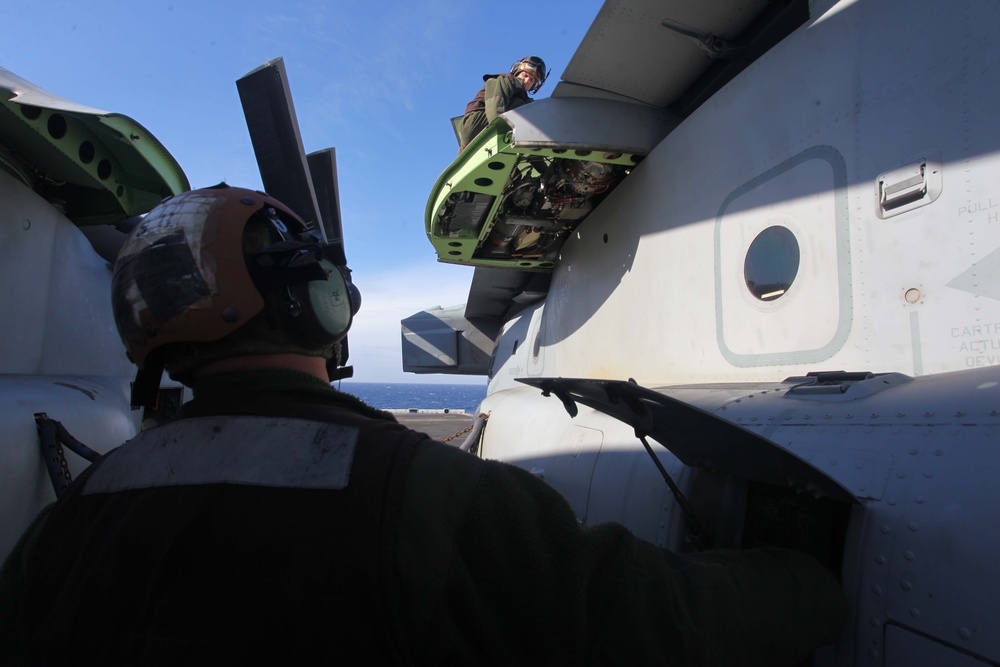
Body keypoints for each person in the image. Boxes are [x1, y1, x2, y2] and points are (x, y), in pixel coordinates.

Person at [0, 184, 845, 665]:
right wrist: (805, 576)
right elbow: (658, 625)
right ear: (318, 302)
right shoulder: (424, 496)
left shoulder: (64, 521)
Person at [456, 55, 548, 151]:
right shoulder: (504, 81)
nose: (527, 81)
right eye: (525, 75)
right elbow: (495, 108)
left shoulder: (523, 98)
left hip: (481, 131)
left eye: (532, 80)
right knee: (527, 109)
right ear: (517, 72)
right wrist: (502, 137)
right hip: (475, 123)